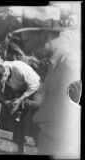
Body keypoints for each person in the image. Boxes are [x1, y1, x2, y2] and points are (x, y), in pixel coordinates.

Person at [12, 6, 81, 158]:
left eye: (28, 40)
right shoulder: (55, 64)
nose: (27, 48)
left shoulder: (70, 68)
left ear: (45, 35)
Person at [0, 61, 40, 154]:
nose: (1, 84)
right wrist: (7, 102)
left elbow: (35, 85)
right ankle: (19, 148)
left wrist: (20, 99)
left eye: (1, 82)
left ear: (5, 75)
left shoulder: (20, 69)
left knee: (35, 122)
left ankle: (44, 149)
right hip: (20, 89)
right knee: (17, 119)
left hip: (36, 88)